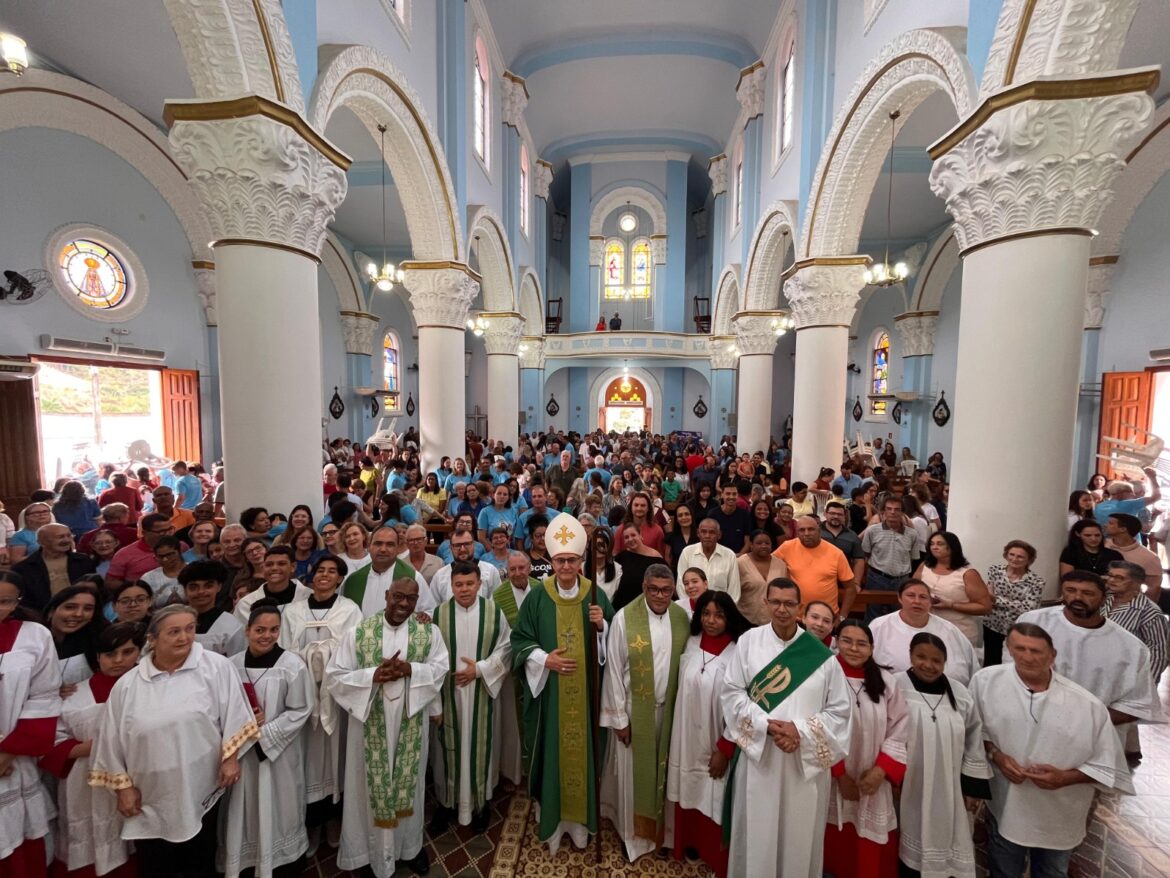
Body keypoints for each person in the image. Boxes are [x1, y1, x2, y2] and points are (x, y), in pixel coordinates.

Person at [90, 604, 258, 877]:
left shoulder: (215, 668)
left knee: (200, 857)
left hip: (200, 782)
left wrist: (230, 758)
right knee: (156, 862)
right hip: (149, 793)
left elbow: (235, 714)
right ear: (153, 640)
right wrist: (123, 788)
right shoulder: (128, 685)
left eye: (190, 629)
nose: (184, 638)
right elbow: (110, 739)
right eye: (174, 632)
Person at [970, 623, 1133, 877]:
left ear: (1052, 655)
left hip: (1058, 812)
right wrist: (996, 756)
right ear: (1009, 649)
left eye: (1036, 651)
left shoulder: (1086, 706)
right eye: (1019, 648)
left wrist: (1066, 777)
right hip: (1007, 803)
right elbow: (974, 732)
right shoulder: (985, 682)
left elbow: (1108, 766)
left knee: (1051, 871)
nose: (1027, 656)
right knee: (1003, 868)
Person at [720, 577, 852, 877]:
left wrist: (800, 732)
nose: (782, 609)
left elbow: (841, 712)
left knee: (799, 837)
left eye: (789, 603)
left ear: (800, 608)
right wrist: (767, 726)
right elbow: (731, 693)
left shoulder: (821, 657)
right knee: (757, 833)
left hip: (802, 767)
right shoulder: (748, 642)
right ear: (766, 603)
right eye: (775, 602)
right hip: (760, 759)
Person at [324, 576, 449, 877]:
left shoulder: (428, 632)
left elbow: (440, 668)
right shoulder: (358, 633)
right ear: (386, 595)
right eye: (398, 597)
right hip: (368, 724)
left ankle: (409, 848)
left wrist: (410, 669)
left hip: (410, 721)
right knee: (366, 789)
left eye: (411, 599)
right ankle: (366, 854)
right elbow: (335, 676)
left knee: (411, 787)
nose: (403, 604)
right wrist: (372, 676)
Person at [509, 512, 614, 853]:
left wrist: (602, 629)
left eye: (571, 560)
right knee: (553, 754)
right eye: (559, 560)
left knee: (583, 754)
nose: (566, 566)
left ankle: (581, 823)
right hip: (550, 696)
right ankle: (553, 819)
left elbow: (616, 648)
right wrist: (544, 660)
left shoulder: (595, 596)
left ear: (582, 560)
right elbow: (520, 640)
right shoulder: (539, 597)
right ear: (550, 561)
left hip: (585, 697)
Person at [600, 563, 691, 861]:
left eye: (666, 590)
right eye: (653, 589)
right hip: (634, 711)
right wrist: (618, 719)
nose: (660, 595)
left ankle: (662, 832)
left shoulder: (682, 617)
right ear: (644, 587)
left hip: (670, 712)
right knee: (633, 777)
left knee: (664, 773)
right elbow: (613, 669)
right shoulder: (626, 617)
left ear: (674, 589)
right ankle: (634, 836)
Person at [221, 601, 315, 878]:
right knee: (243, 807)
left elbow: (301, 710)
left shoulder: (292, 665)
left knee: (281, 806)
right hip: (241, 755)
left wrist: (262, 735)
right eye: (260, 629)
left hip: (278, 754)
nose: (267, 636)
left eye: (274, 630)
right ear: (247, 630)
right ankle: (247, 863)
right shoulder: (230, 666)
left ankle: (283, 860)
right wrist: (242, 728)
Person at [42, 622, 142, 878]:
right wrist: (92, 748)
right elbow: (50, 742)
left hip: (136, 782)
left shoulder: (147, 692)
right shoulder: (74, 695)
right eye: (110, 654)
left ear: (139, 653)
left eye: (127, 652)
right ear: (97, 657)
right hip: (83, 784)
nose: (118, 660)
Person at [666, 590, 750, 878]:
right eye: (705, 614)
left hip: (718, 737)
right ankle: (688, 842)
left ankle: (716, 854)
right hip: (686, 734)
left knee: (714, 793)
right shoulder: (690, 642)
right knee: (688, 787)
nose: (711, 621)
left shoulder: (740, 651)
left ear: (730, 617)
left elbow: (745, 706)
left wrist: (725, 748)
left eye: (719, 615)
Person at [895, 632, 991, 878]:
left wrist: (972, 787)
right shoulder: (895, 686)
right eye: (921, 657)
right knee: (905, 842)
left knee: (947, 837)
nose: (928, 665)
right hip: (907, 784)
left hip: (949, 787)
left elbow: (973, 738)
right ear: (910, 656)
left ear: (945, 662)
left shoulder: (959, 693)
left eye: (936, 660)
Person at [280, 554, 360, 849]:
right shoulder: (293, 611)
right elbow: (284, 652)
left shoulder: (349, 610)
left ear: (340, 578)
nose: (325, 575)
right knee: (307, 762)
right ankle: (310, 823)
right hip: (302, 699)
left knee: (337, 758)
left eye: (332, 572)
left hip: (336, 699)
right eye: (320, 570)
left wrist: (323, 654)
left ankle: (335, 818)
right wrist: (312, 656)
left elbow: (354, 650)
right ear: (311, 576)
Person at [1015, 570, 1160, 727]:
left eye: (1088, 593)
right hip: (1032, 721)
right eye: (1070, 590)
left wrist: (1082, 722)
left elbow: (1136, 706)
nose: (1077, 597)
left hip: (1094, 733)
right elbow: (1013, 677)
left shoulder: (1130, 647)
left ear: (1104, 599)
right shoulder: (1033, 622)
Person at [429, 561, 512, 833]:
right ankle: (447, 803)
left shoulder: (493, 612)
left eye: (470, 584)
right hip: (448, 695)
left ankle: (480, 804)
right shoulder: (438, 615)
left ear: (480, 584)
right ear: (450, 586)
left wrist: (480, 670)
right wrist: (434, 704)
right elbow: (429, 659)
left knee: (481, 747)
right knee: (447, 751)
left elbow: (506, 648)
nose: (464, 589)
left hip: (481, 694)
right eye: (458, 584)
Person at [824, 620, 908, 878]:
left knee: (867, 856)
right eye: (847, 641)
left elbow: (901, 727)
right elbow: (816, 728)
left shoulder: (885, 680)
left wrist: (881, 771)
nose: (854, 648)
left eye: (862, 643)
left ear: (872, 648)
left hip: (872, 780)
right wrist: (839, 775)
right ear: (836, 641)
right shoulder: (823, 674)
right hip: (830, 779)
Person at [0, 571, 61, 878]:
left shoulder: (34, 636)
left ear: (16, 603)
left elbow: (44, 696)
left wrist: (8, 751)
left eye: (4, 601)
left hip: (12, 760)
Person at [1104, 560, 1168, 764]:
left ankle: (1115, 762)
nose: (1111, 580)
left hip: (1130, 673)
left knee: (1119, 716)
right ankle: (1132, 750)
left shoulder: (1149, 612)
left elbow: (1159, 649)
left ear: (1136, 582)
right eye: (1110, 575)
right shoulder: (1104, 600)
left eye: (1119, 577)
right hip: (1101, 668)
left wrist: (1149, 681)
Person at [869, 580, 977, 684]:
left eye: (923, 597)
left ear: (930, 601)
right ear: (900, 598)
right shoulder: (879, 626)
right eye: (911, 595)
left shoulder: (950, 630)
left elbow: (973, 669)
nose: (917, 601)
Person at [492, 552, 539, 786]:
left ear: (530, 568)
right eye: (513, 569)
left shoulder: (542, 589)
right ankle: (515, 771)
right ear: (506, 571)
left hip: (539, 668)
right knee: (513, 722)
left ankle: (537, 767)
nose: (518, 573)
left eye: (522, 568)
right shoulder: (498, 596)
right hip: (513, 669)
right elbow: (497, 636)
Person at [915, 532, 992, 648]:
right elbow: (913, 588)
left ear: (952, 547)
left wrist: (950, 605)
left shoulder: (967, 573)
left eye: (939, 544)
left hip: (958, 631)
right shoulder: (925, 565)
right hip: (928, 627)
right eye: (932, 544)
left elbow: (985, 607)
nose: (934, 547)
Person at [775, 516, 857, 621]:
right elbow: (767, 563)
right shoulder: (787, 547)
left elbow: (850, 588)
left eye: (811, 529)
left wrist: (842, 617)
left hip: (824, 619)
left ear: (819, 531)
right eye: (802, 530)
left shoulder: (836, 553)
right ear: (796, 532)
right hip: (795, 617)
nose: (806, 533)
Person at [342, 526, 433, 619]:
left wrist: (425, 616)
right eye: (378, 544)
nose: (383, 549)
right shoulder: (354, 580)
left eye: (390, 544)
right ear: (369, 546)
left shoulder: (413, 577)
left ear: (398, 548)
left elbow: (429, 611)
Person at [982, 540, 1045, 666]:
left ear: (1029, 560)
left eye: (1020, 556)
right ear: (1006, 555)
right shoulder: (994, 570)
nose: (1015, 559)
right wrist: (1011, 603)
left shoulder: (1037, 581)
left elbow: (1028, 608)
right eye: (1011, 554)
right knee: (990, 661)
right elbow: (988, 597)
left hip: (1018, 626)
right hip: (992, 623)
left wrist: (997, 600)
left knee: (1017, 661)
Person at [12, 523, 98, 613]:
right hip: (41, 615)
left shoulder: (83, 561)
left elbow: (94, 589)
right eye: (60, 537)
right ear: (41, 542)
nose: (66, 540)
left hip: (80, 611)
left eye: (69, 536)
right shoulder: (23, 568)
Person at [860, 497, 922, 612]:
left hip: (901, 580)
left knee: (899, 614)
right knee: (873, 613)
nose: (893, 512)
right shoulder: (872, 531)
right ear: (883, 512)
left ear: (902, 512)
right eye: (889, 509)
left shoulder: (912, 534)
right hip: (876, 578)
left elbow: (913, 558)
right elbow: (865, 554)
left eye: (897, 509)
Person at [44, 583, 106, 693]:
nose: (79, 614)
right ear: (52, 610)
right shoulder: (32, 640)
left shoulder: (98, 639)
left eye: (88, 609)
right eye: (70, 607)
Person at [181, 560, 246, 657]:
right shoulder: (171, 622)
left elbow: (237, 661)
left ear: (219, 587)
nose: (201, 592)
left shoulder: (231, 626)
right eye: (193, 587)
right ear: (185, 590)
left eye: (208, 586)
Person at [235, 546, 312, 623]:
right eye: (269, 564)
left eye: (281, 564)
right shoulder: (246, 604)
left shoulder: (310, 597)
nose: (274, 568)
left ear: (293, 567)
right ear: (263, 567)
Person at [429, 529, 502, 607]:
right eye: (457, 545)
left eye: (467, 544)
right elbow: (433, 608)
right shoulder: (440, 576)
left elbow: (498, 604)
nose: (462, 549)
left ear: (474, 545)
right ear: (451, 548)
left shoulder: (490, 571)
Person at [104, 512, 175, 590]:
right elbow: (111, 582)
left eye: (169, 529)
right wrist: (136, 588)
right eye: (161, 532)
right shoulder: (124, 554)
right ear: (144, 533)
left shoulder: (181, 547)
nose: (167, 534)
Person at [676, 518, 741, 602]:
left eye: (712, 532)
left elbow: (734, 591)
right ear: (698, 533)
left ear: (719, 535)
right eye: (703, 532)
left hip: (721, 611)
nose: (707, 536)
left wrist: (724, 611)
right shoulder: (687, 552)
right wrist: (690, 609)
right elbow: (681, 585)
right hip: (691, 611)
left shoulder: (729, 555)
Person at [1105, 512, 1163, 601]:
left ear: (1123, 529)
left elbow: (1154, 587)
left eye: (1110, 523)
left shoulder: (1149, 557)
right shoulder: (1102, 545)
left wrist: (1143, 610)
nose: (1105, 525)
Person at [736, 528, 786, 625]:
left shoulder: (780, 565)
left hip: (773, 620)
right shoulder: (740, 563)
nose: (763, 546)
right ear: (751, 545)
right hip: (745, 618)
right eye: (759, 543)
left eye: (767, 543)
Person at [613, 521, 665, 610]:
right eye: (626, 537)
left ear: (640, 535)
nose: (630, 539)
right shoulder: (621, 557)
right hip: (623, 607)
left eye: (633, 535)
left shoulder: (656, 559)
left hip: (647, 607)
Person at [1092, 466, 1161, 526]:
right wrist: (1152, 477)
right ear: (1122, 493)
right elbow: (1157, 496)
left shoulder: (1100, 506)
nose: (1133, 495)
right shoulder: (1127, 505)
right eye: (1131, 492)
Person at [141, 535, 187, 607]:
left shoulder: (194, 571)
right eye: (161, 556)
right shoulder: (148, 578)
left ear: (179, 551)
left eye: (169, 554)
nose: (165, 559)